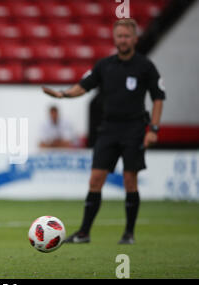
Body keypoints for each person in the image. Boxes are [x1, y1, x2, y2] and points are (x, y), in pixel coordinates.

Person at [42, 18, 165, 244]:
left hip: (134, 129)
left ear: (135, 39)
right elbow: (84, 86)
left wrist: (153, 128)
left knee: (130, 180)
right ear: (114, 38)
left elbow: (158, 97)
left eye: (127, 36)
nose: (123, 40)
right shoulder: (104, 65)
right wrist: (63, 94)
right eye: (120, 36)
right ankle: (84, 232)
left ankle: (128, 233)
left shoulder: (145, 67)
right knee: (95, 179)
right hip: (108, 129)